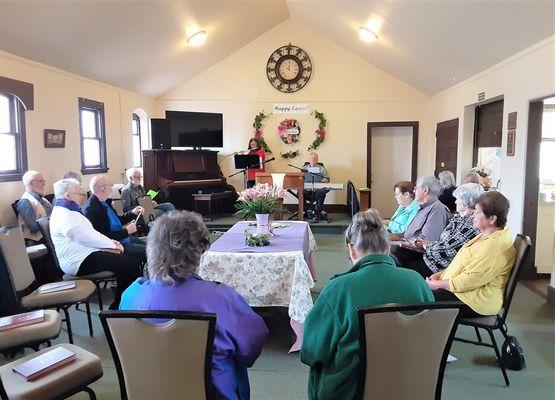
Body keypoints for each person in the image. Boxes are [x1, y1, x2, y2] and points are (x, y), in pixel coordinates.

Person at [120, 210, 268, 400]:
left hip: (147, 391)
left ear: (152, 248)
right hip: (209, 393)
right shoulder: (219, 297)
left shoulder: (131, 294)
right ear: (197, 252)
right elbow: (251, 346)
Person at [300, 209, 433, 400]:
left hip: (352, 390)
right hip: (409, 385)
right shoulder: (417, 282)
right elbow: (429, 336)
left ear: (351, 249)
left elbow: (311, 352)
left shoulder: (338, 289)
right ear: (388, 248)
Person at [49, 178, 141, 309]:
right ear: (68, 196)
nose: (82, 196)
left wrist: (110, 243)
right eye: (78, 193)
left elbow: (91, 233)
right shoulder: (64, 214)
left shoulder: (69, 210)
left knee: (129, 261)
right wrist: (112, 245)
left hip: (87, 253)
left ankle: (126, 302)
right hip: (78, 261)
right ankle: (121, 306)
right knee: (129, 263)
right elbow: (83, 237)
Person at [427, 191, 517, 317]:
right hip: (464, 292)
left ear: (492, 219)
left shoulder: (495, 245)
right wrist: (441, 274)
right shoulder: (487, 234)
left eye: (478, 212)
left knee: (419, 298)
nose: (473, 215)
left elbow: (471, 280)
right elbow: (464, 264)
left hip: (474, 301)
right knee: (418, 292)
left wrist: (438, 284)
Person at [403, 183, 484, 278]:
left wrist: (425, 245)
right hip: (431, 257)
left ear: (466, 203)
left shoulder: (472, 223)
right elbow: (442, 242)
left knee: (403, 271)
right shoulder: (458, 218)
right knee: (397, 257)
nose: (455, 202)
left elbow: (448, 250)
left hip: (440, 267)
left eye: (458, 199)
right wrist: (422, 244)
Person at [390, 176, 452, 266]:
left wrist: (402, 243)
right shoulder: (423, 207)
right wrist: (390, 237)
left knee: (386, 253)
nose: (414, 191)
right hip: (407, 246)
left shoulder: (438, 210)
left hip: (418, 254)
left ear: (425, 190)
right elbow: (408, 233)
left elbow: (426, 242)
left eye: (416, 188)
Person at [82, 175, 146, 261]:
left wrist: (133, 213)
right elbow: (103, 237)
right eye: (110, 186)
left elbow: (118, 220)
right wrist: (126, 231)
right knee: (152, 251)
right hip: (116, 245)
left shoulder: (104, 202)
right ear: (103, 189)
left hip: (123, 238)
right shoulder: (91, 209)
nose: (112, 188)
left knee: (151, 245)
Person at [17, 170, 53, 243]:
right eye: (41, 181)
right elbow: (34, 228)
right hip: (39, 239)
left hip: (51, 233)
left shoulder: (43, 199)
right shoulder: (25, 202)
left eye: (44, 181)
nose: (44, 184)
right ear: (31, 183)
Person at [303, 152, 330, 221]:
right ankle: (305, 212)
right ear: (309, 159)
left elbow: (327, 179)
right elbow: (300, 178)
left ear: (318, 159)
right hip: (307, 191)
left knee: (322, 192)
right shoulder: (304, 168)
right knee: (300, 192)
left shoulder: (322, 168)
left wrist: (320, 180)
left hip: (317, 191)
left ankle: (316, 213)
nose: (314, 159)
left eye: (315, 158)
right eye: (312, 158)